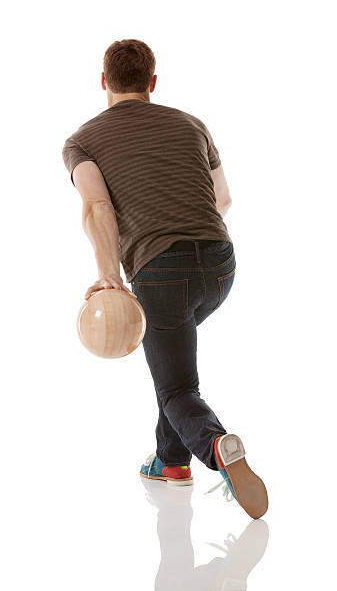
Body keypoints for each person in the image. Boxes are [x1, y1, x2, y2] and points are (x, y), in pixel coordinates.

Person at [62, 38, 268, 519]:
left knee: (178, 390)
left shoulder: (83, 141)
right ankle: (170, 462)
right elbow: (224, 199)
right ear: (152, 83)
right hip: (221, 265)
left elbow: (96, 205)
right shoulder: (192, 124)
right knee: (172, 361)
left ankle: (217, 448)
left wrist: (109, 276)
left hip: (160, 270)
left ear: (103, 82)